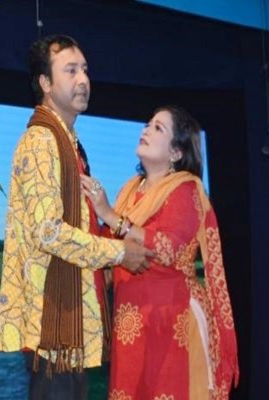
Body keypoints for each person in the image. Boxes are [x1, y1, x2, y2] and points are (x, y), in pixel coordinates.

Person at [0, 34, 153, 400]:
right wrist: (119, 253)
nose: (83, 79)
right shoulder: (41, 140)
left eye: (85, 70)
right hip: (54, 323)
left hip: (66, 324)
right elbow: (49, 232)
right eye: (70, 71)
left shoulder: (68, 143)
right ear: (45, 83)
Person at [81, 105, 239, 399]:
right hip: (132, 325)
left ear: (176, 153)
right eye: (147, 124)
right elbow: (111, 244)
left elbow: (168, 249)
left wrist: (110, 215)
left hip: (173, 323)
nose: (146, 130)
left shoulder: (186, 189)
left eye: (158, 128)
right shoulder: (130, 190)